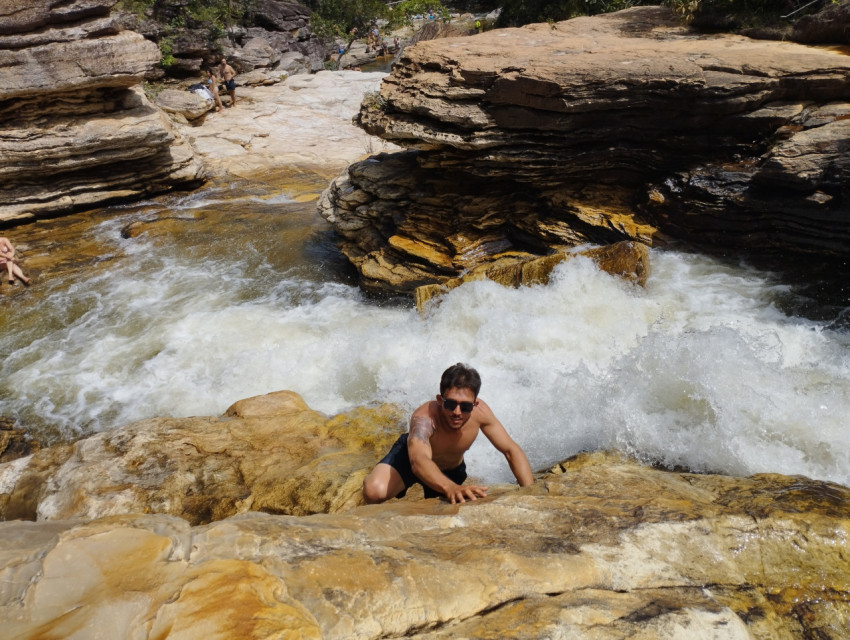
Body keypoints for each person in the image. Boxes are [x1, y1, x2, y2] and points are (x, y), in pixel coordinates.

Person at [363, 363, 534, 504]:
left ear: (475, 404)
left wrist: (530, 492)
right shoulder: (424, 418)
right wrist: (450, 487)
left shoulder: (481, 413)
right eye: (451, 404)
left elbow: (511, 450)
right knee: (373, 492)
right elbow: (419, 460)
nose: (457, 412)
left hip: (451, 471)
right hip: (408, 461)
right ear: (439, 400)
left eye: (465, 406)